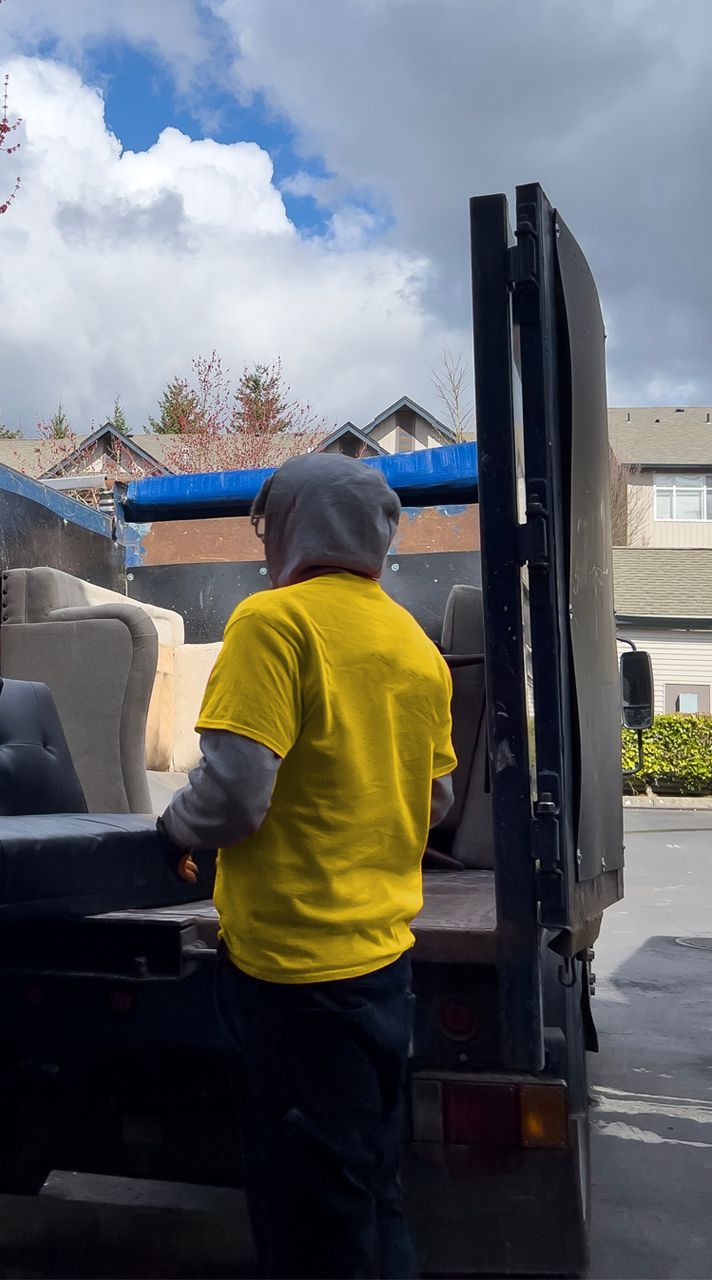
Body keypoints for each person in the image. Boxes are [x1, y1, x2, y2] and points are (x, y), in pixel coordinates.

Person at [159, 452, 455, 1280]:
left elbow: (234, 797)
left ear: (290, 526)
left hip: (292, 978)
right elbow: (437, 801)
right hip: (382, 968)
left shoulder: (275, 622)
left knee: (309, 1226)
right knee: (367, 1189)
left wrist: (172, 833)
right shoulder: (413, 643)